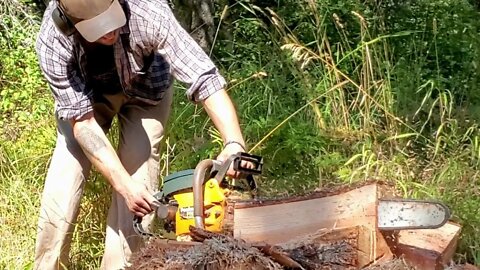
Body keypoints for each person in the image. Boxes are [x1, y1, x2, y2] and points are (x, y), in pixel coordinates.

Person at [34, 0, 247, 269]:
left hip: (146, 93)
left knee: (139, 178)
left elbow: (204, 78)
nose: (109, 32)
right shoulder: (53, 41)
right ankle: (47, 265)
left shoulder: (148, 11)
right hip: (85, 103)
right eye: (97, 28)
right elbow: (84, 124)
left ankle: (122, 265)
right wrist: (121, 183)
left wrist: (233, 142)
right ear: (69, 23)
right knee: (65, 178)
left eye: (112, 19)